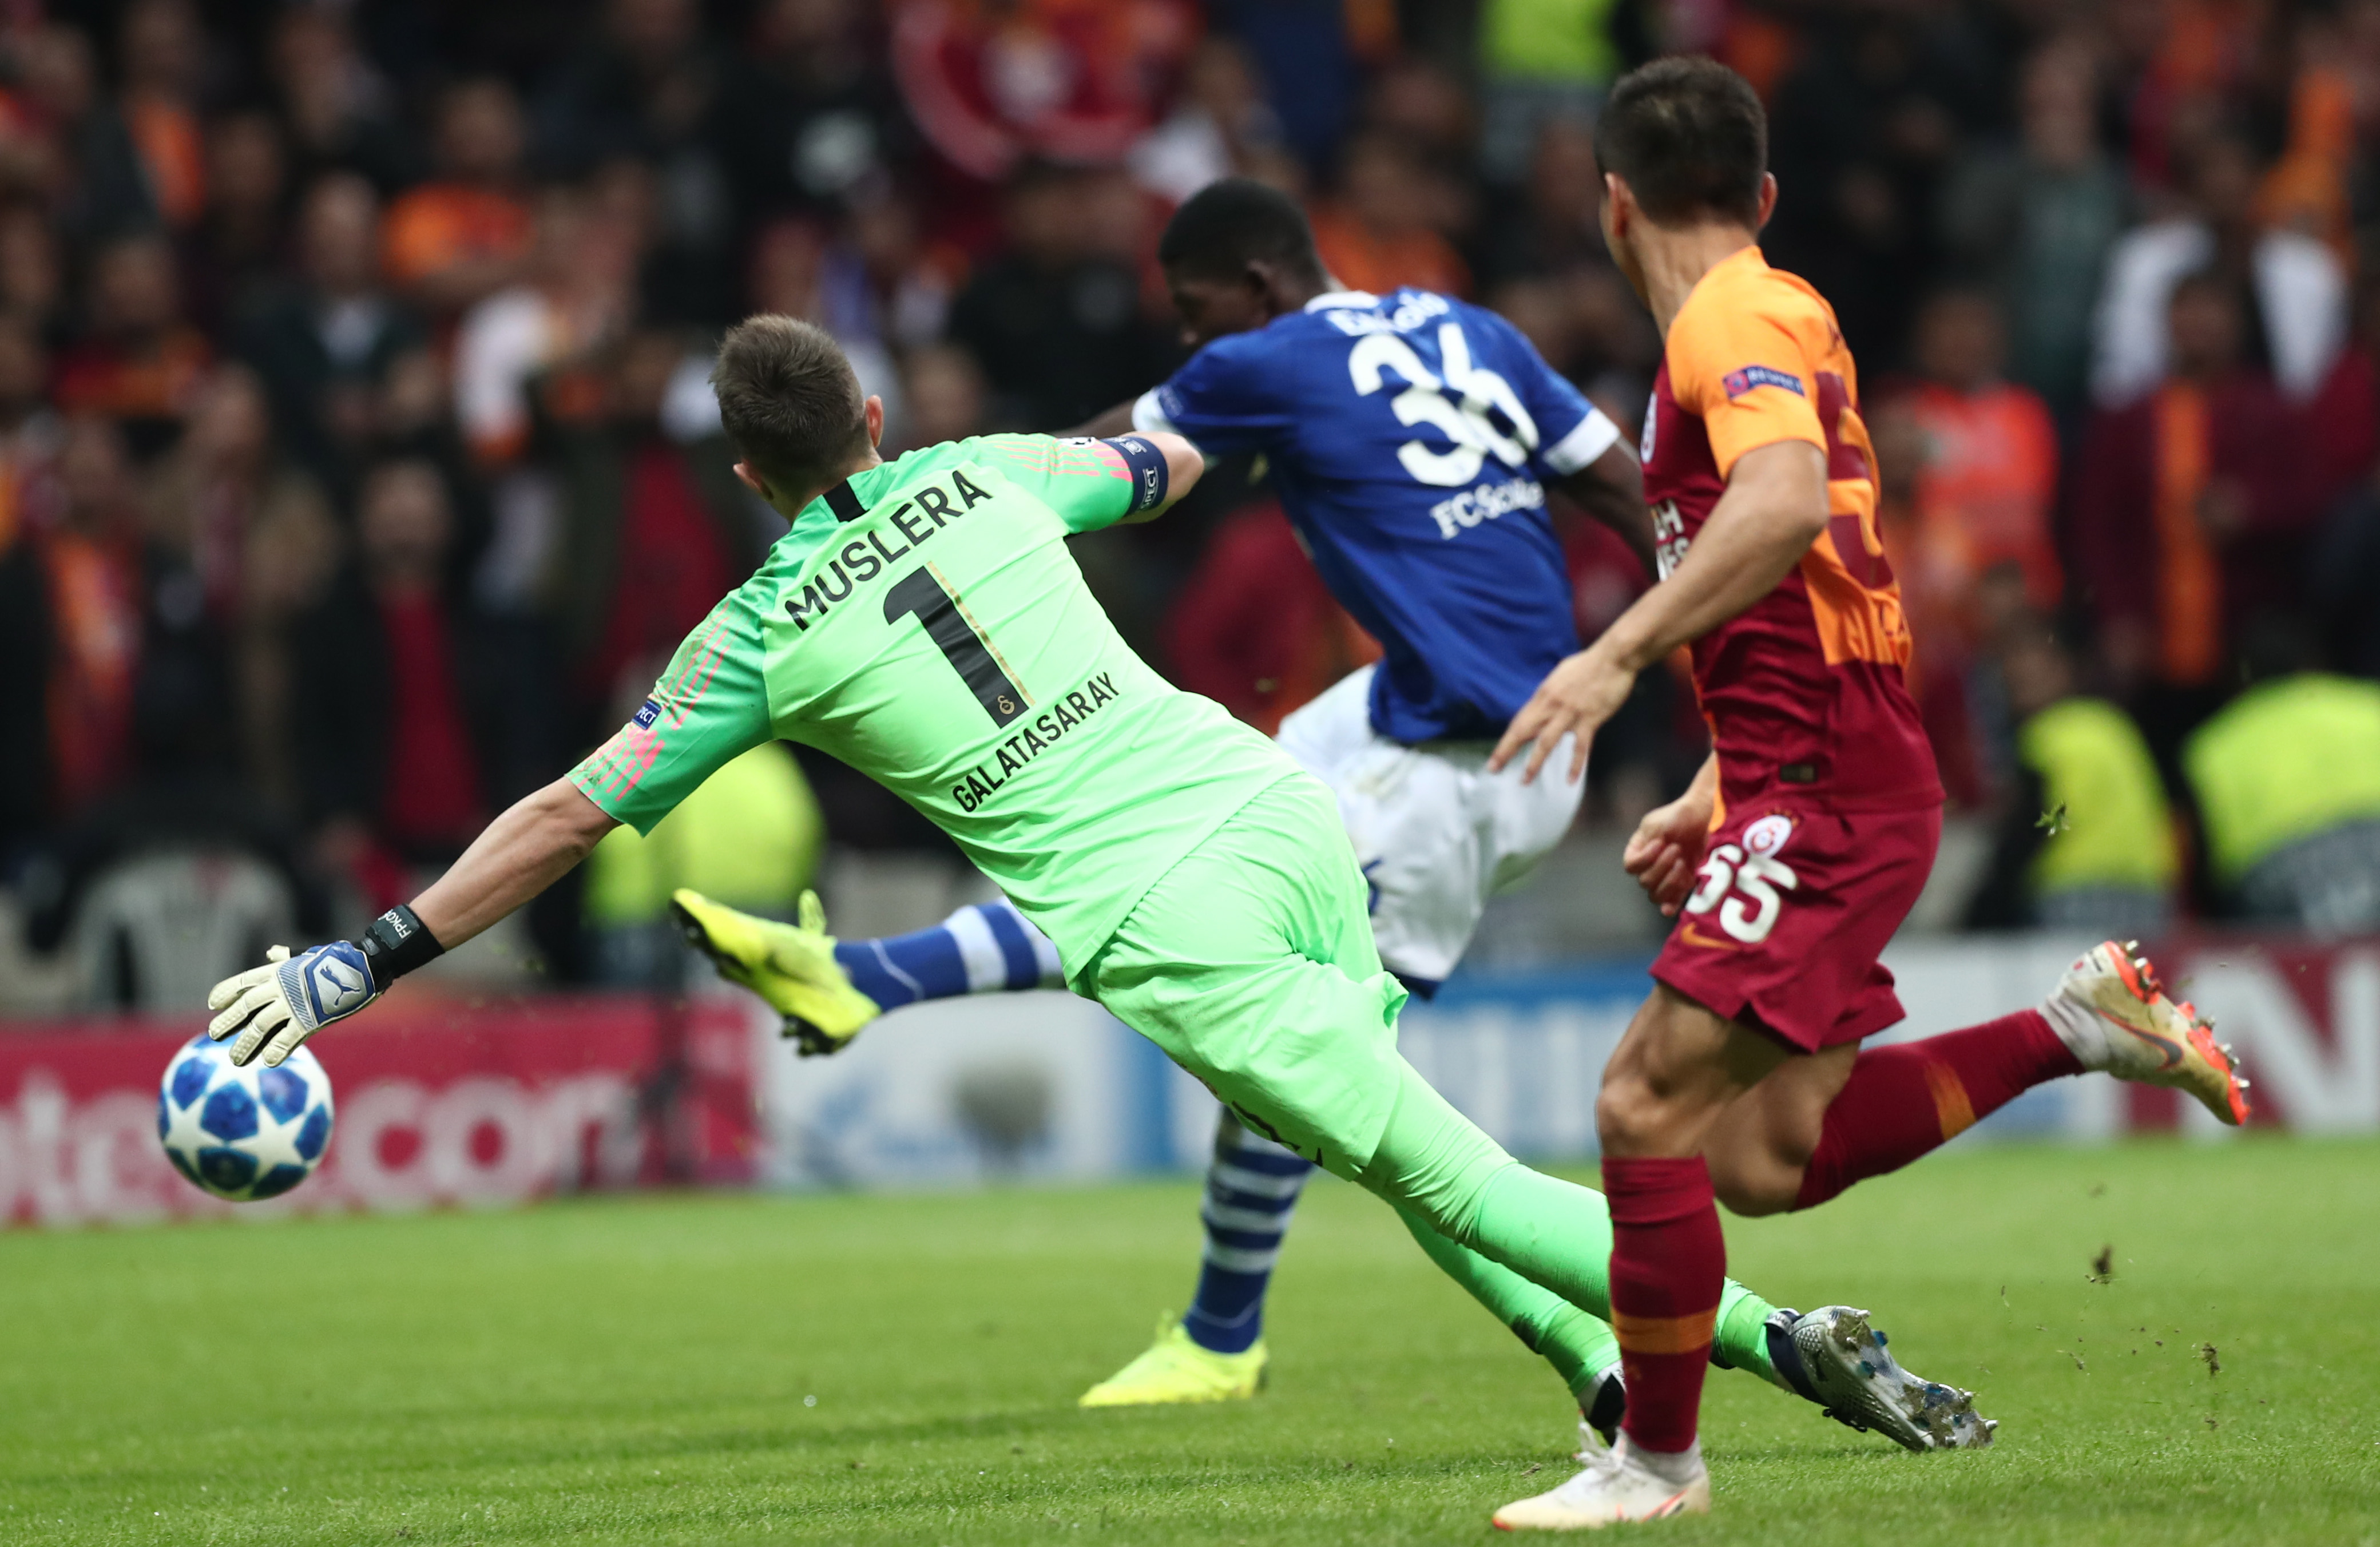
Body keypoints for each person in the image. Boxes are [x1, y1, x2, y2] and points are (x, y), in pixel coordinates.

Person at [210, 317, 1977, 1532]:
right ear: (872, 416)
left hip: (1163, 916)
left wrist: (359, 961)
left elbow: (563, 815)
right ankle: (1597, 1368)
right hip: (1277, 810)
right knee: (1385, 1144)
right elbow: (1161, 466)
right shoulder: (987, 471)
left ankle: (1786, 1341)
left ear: (749, 477)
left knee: (1442, 1171)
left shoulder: (752, 637)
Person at [657, 185, 1992, 1457]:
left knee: (1341, 1085)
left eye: (1194, 313)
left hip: (1465, 766)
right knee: (1180, 892)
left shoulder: (1268, 359)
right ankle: (1491, 1342)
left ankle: (1236, 1314)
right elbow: (1631, 495)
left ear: (1251, 286)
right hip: (1432, 715)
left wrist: (914, 508)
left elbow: (1100, 447)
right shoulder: (1466, 326)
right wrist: (1702, 688)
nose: (1193, 344)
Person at [1477, 59, 2250, 1526]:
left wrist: (1610, 658)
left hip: (1828, 782)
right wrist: (1716, 777)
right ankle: (2078, 1024)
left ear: (1611, 203)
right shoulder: (1773, 317)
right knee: (1764, 1153)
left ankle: (1656, 1463)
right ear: (1763, 192)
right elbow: (1819, 583)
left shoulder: (1733, 318)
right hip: (1812, 765)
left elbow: (1776, 510)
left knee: (1641, 1102)